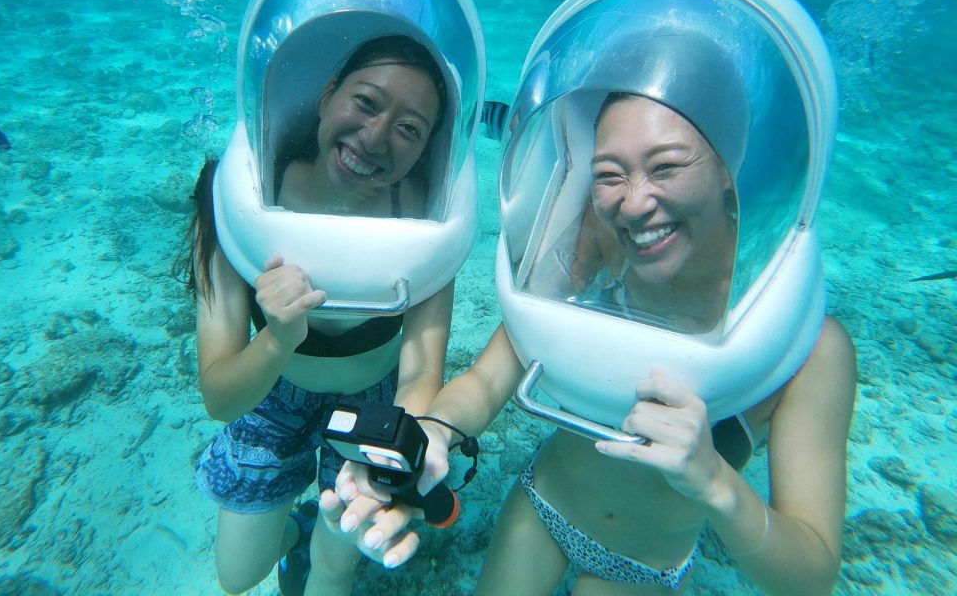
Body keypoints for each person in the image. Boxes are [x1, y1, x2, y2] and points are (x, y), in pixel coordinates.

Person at [322, 91, 856, 595]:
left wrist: (714, 482)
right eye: (609, 175)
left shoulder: (805, 347)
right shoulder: (605, 246)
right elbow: (489, 378)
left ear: (727, 166)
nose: (635, 202)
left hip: (644, 562)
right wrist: (433, 436)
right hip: (542, 505)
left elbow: (809, 575)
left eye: (666, 165)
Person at [181, 34, 456, 596]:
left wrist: (394, 460)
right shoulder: (237, 195)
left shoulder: (429, 222)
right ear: (327, 95)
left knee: (334, 568)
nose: (374, 139)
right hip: (270, 394)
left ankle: (317, 538)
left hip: (374, 405)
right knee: (237, 578)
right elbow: (222, 399)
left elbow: (421, 379)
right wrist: (278, 339)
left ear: (427, 147)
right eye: (365, 102)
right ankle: (294, 529)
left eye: (409, 130)